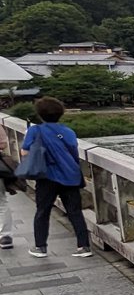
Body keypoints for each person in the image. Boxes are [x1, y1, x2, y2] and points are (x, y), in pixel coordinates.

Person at [21, 96, 92, 259]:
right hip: (70, 175)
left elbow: (25, 152)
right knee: (75, 212)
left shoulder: (34, 130)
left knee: (42, 211)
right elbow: (74, 152)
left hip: (47, 177)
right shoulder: (68, 131)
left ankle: (40, 247)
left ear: (40, 114)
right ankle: (84, 246)